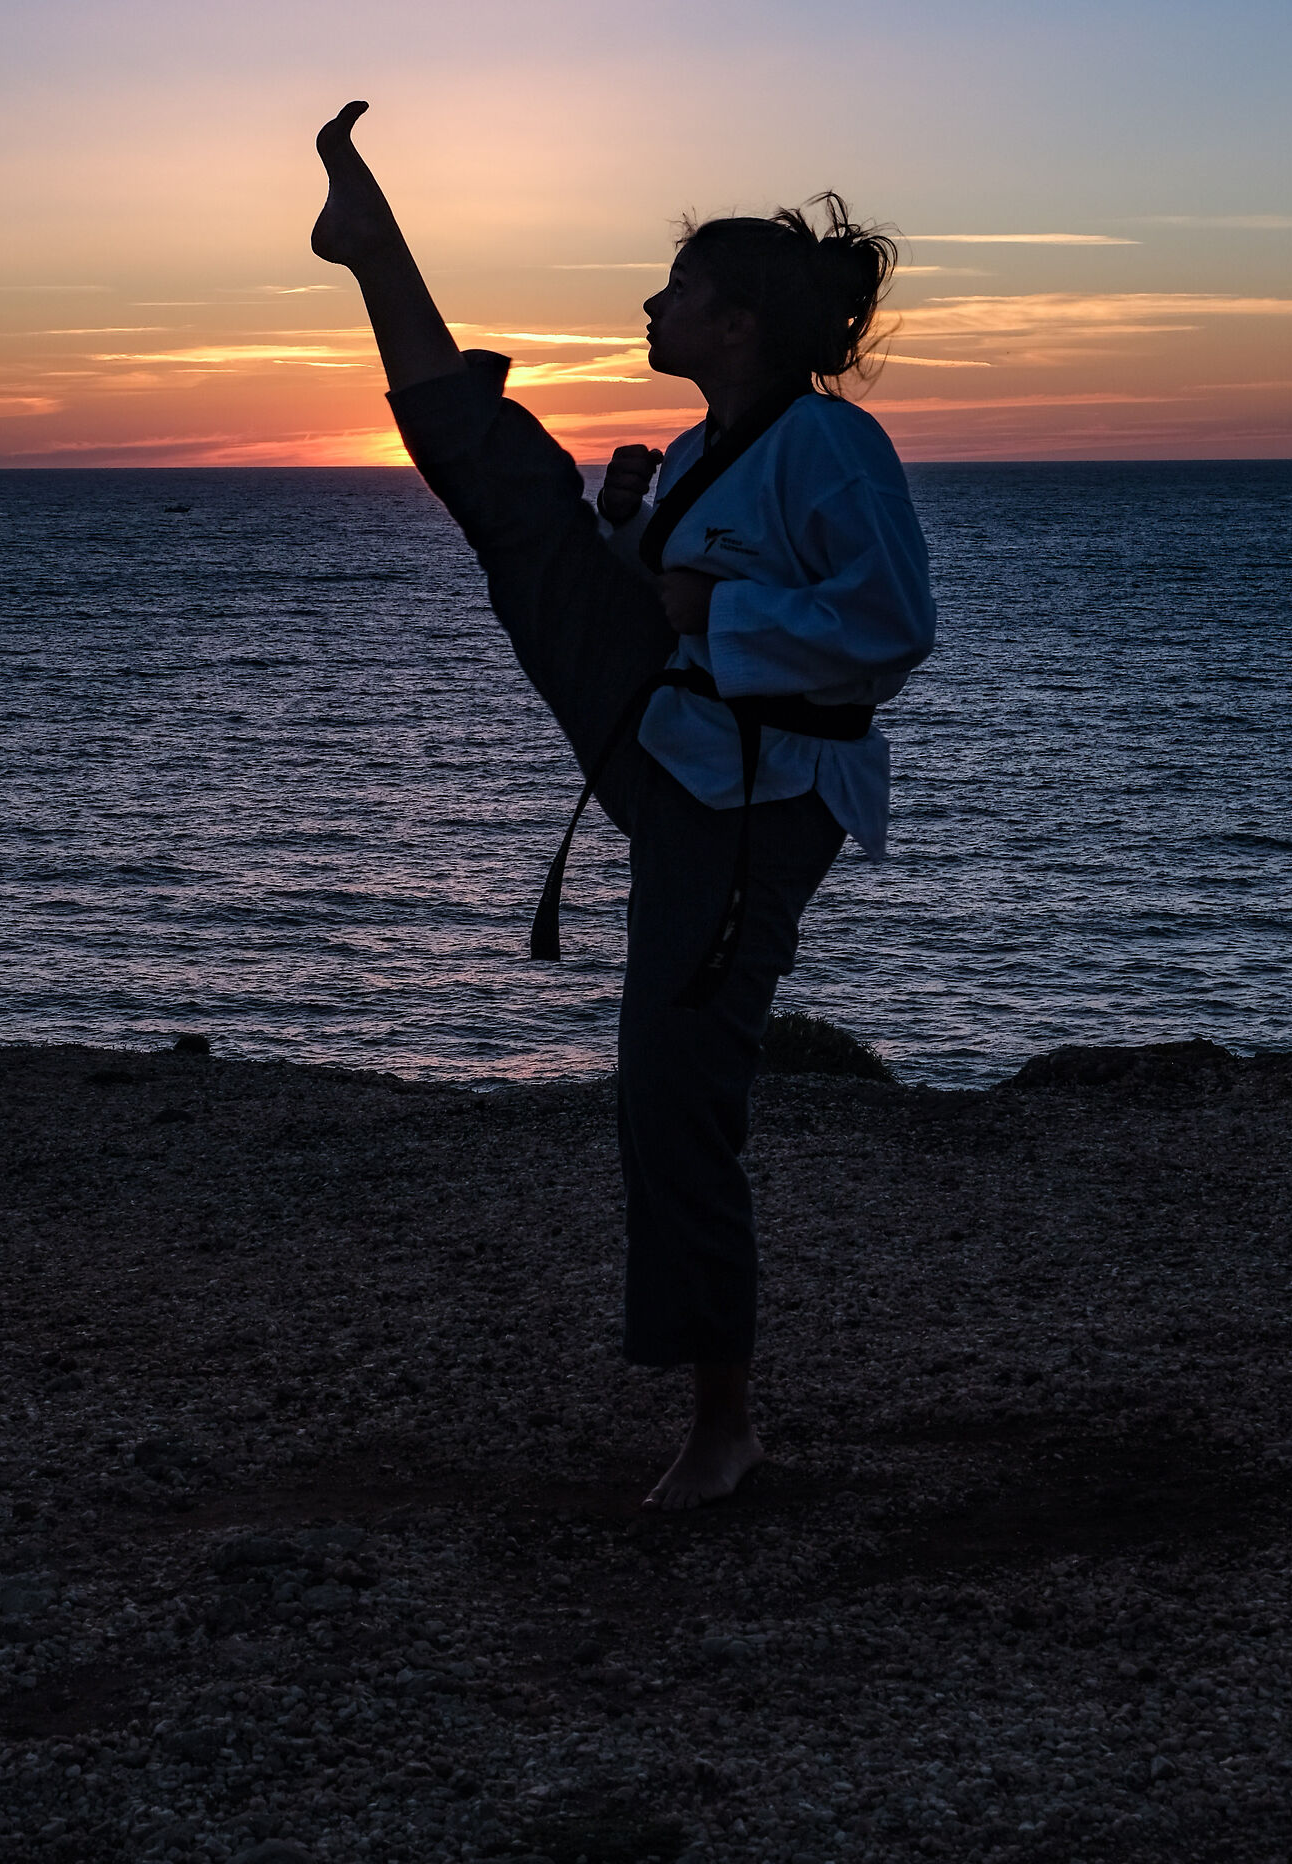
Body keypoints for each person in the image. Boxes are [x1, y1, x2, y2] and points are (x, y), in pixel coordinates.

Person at [311, 100, 936, 1508]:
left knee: (673, 1085)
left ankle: (725, 1429)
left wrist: (715, 610)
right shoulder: (715, 445)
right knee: (517, 503)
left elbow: (892, 622)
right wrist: (632, 532)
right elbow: (690, 578)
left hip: (752, 792)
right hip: (679, 738)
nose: (653, 305)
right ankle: (374, 251)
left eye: (677, 288)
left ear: (740, 323)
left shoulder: (831, 445)